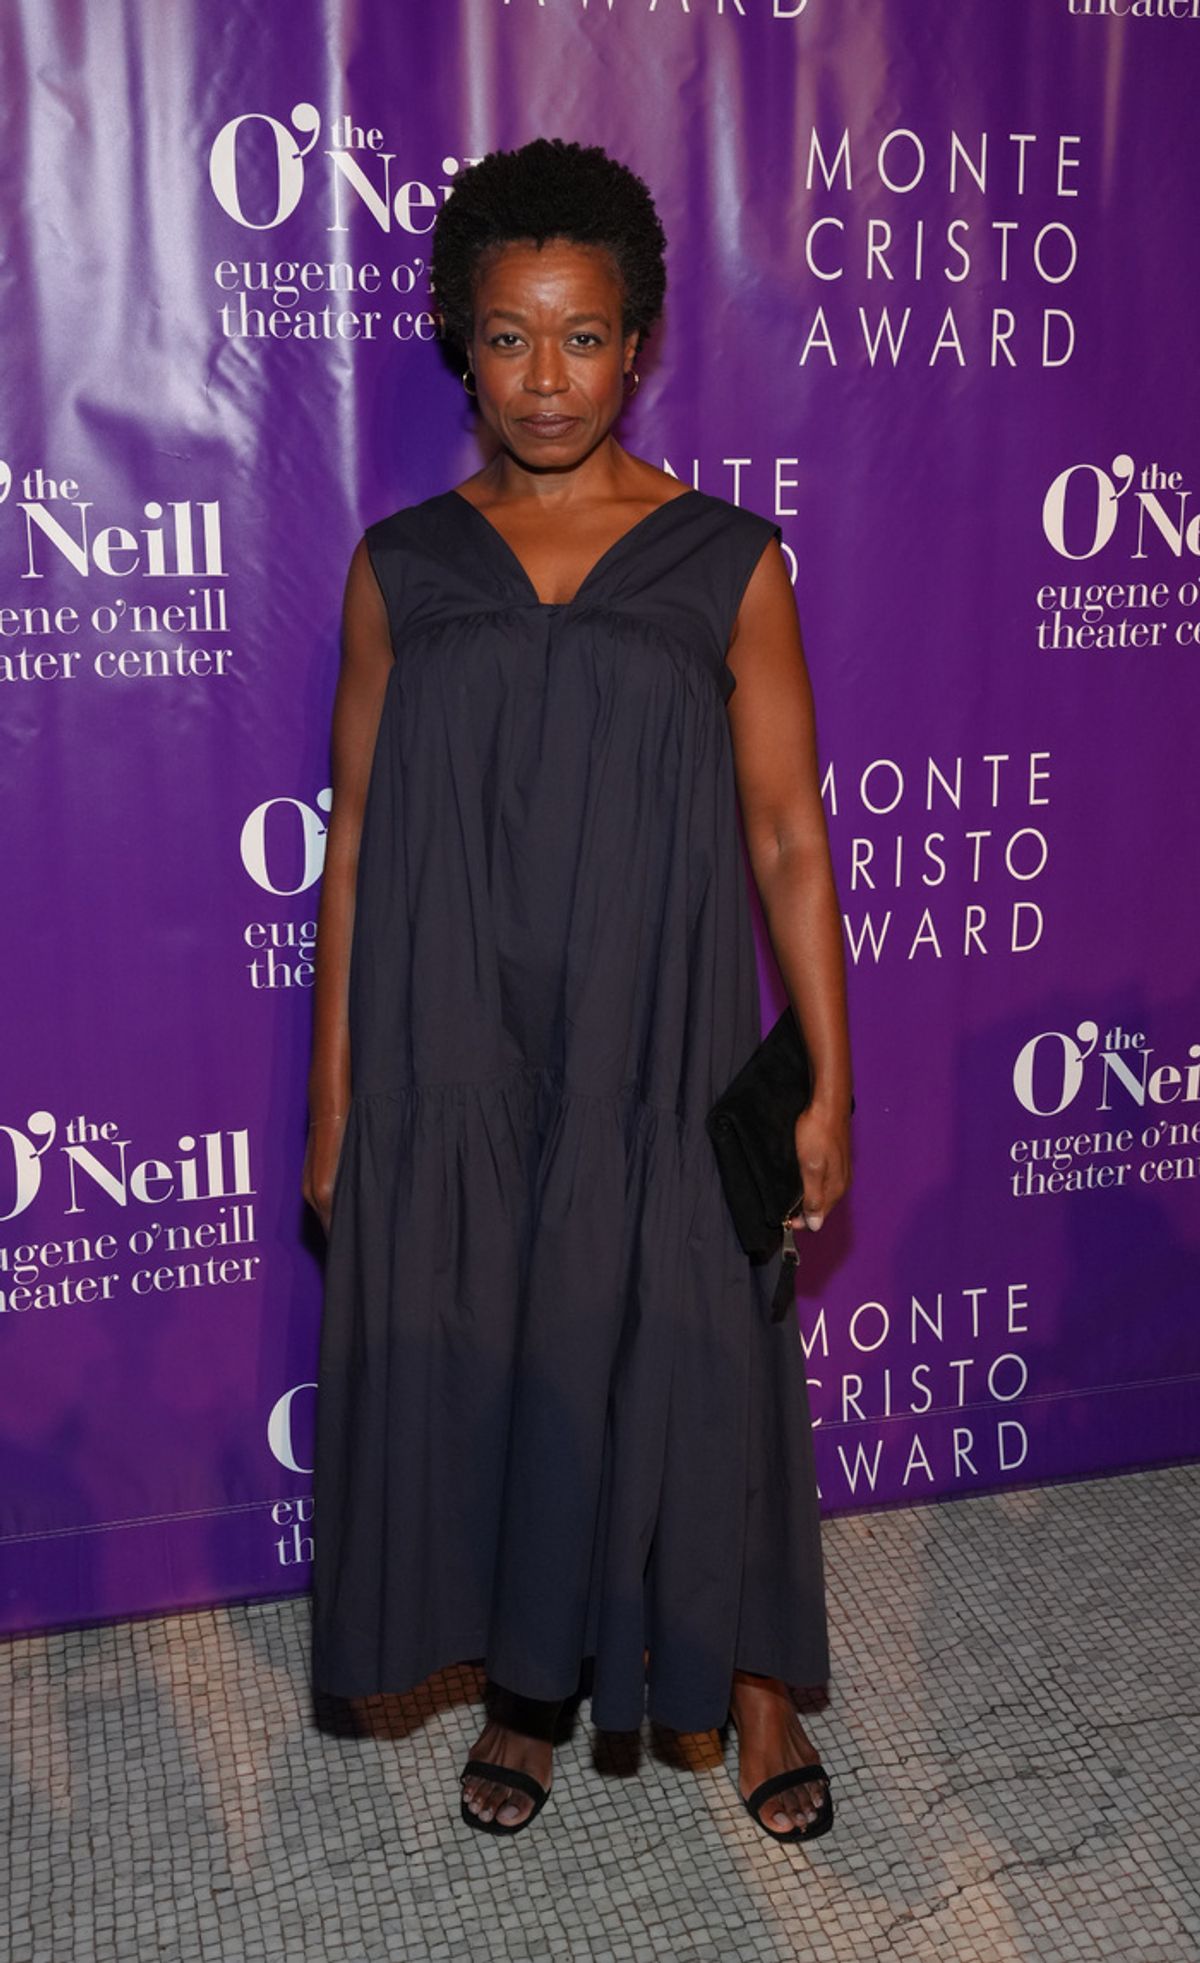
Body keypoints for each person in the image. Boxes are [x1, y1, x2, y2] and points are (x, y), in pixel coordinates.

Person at [303, 136, 853, 1844]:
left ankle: (752, 1684)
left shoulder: (725, 561)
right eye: (511, 335)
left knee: (701, 1347)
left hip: (656, 1039)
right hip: (453, 1049)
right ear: (462, 343)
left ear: (642, 339)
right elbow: (361, 837)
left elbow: (787, 839)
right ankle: (527, 1693)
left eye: (586, 334)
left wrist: (829, 1074)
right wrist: (333, 1105)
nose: (549, 376)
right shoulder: (399, 567)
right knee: (501, 1353)